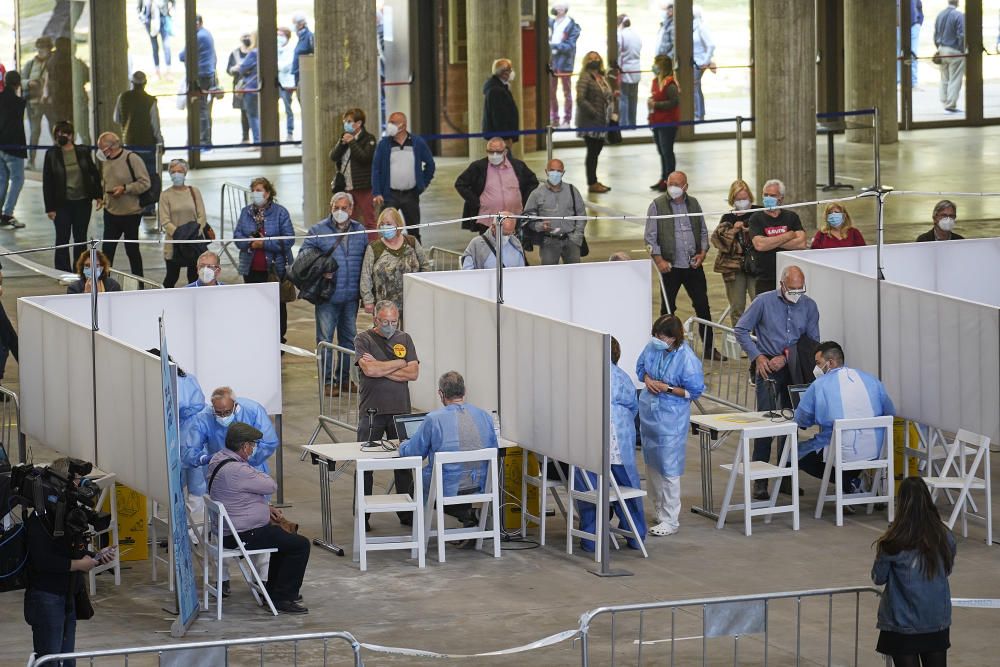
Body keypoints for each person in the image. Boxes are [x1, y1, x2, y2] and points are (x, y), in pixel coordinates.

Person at [735, 265, 820, 499]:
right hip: (767, 370)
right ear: (782, 285)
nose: (796, 293)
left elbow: (812, 341)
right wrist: (758, 357)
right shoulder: (763, 302)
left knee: (790, 425)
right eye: (792, 289)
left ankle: (785, 478)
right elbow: (741, 329)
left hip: (793, 370)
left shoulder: (810, 306)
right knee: (766, 424)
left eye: (800, 289)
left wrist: (786, 357)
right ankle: (760, 481)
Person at [208, 421, 310, 615]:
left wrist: (265, 507)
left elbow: (238, 493)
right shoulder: (239, 470)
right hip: (243, 534)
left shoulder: (218, 459)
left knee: (283, 540)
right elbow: (270, 485)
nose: (254, 449)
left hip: (228, 529)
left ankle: (273, 590)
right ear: (245, 446)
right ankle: (283, 597)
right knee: (300, 545)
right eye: (253, 445)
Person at [23, 458, 117, 662]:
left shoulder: (66, 515)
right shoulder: (41, 519)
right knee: (49, 660)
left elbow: (71, 550)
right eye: (77, 481)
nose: (82, 486)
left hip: (67, 597)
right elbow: (42, 561)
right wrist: (79, 565)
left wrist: (96, 557)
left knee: (67, 660)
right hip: (47, 598)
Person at [872, 477, 956, 667]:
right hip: (936, 620)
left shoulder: (893, 541)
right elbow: (948, 569)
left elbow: (878, 577)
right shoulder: (945, 536)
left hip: (903, 624)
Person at [575, 337, 647, 552]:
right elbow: (634, 409)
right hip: (621, 446)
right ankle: (636, 536)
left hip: (590, 444)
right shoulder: (623, 378)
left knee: (591, 493)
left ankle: (591, 538)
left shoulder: (582, 377)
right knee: (628, 492)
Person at [794, 341, 895, 493]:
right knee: (838, 447)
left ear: (831, 362)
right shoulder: (871, 379)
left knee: (796, 454)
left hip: (842, 452)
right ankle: (854, 482)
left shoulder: (819, 385)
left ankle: (849, 484)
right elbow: (890, 411)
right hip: (876, 451)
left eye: (818, 363)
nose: (816, 368)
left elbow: (802, 419)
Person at [399, 371, 498, 525]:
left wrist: (403, 445)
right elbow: (494, 449)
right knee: (461, 479)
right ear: (464, 391)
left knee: (418, 487)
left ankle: (462, 516)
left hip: (447, 488)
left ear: (441, 393)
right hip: (481, 485)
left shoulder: (434, 419)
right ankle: (469, 516)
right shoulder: (484, 416)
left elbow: (414, 453)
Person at [636, 314, 705, 537]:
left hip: (671, 419)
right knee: (652, 464)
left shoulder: (687, 359)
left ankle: (670, 518)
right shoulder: (652, 348)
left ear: (674, 338)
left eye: (662, 336)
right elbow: (641, 369)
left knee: (668, 468)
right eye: (655, 335)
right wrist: (648, 380)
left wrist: (665, 388)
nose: (657, 339)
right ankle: (658, 509)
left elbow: (693, 391)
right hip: (649, 415)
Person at [355, 299, 420, 529]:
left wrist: (384, 367)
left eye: (394, 321)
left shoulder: (405, 338)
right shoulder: (363, 339)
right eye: (385, 322)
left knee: (404, 463)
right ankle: (363, 516)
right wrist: (399, 363)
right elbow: (369, 370)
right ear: (376, 320)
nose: (390, 326)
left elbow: (413, 373)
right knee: (366, 465)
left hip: (400, 411)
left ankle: (407, 513)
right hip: (372, 412)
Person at [644, 170, 719, 359]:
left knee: (703, 306)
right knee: (667, 309)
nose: (673, 188)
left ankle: (709, 348)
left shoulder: (693, 203)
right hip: (670, 267)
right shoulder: (657, 205)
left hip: (693, 265)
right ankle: (665, 346)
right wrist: (659, 261)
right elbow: (650, 237)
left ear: (686, 186)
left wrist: (702, 253)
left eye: (677, 184)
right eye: (670, 183)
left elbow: (702, 231)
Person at [301, 192, 368, 396]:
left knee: (349, 340)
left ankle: (346, 379)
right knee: (326, 341)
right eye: (336, 207)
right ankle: (329, 382)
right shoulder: (317, 230)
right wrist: (322, 267)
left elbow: (367, 261)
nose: (340, 211)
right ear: (331, 208)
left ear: (351, 208)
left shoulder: (360, 231)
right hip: (327, 297)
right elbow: (304, 256)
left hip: (350, 297)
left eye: (344, 207)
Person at [147, 347, 206, 519]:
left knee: (189, 486)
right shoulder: (186, 379)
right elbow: (197, 403)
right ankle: (191, 533)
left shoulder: (168, 382)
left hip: (185, 436)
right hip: (188, 435)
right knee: (193, 488)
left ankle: (190, 533)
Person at [234, 177, 295, 341]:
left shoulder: (280, 212)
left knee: (277, 305)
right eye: (253, 190)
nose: (255, 193)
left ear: (268, 193)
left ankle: (279, 339)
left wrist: (265, 244)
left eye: (259, 190)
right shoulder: (245, 212)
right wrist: (251, 243)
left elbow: (289, 239)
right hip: (251, 268)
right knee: (255, 305)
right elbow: (237, 236)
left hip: (275, 269)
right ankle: (258, 337)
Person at [43, 120, 103, 271]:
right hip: (61, 203)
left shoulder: (83, 151)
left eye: (64, 133)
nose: (60, 136)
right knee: (62, 238)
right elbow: (47, 182)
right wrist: (50, 207)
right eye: (57, 134)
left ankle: (79, 269)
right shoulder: (51, 154)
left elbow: (93, 174)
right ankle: (62, 271)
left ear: (71, 135)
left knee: (80, 237)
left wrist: (98, 195)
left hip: (82, 201)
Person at [184, 386, 279, 479]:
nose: (223, 417)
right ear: (213, 407)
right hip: (220, 471)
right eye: (218, 413)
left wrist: (247, 457)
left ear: (235, 406)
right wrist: (204, 459)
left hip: (252, 469)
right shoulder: (204, 418)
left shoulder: (253, 411)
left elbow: (269, 442)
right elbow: (189, 450)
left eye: (227, 412)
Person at [371, 111, 435, 242]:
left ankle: (416, 259)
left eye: (393, 122)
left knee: (414, 232)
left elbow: (430, 164)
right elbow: (376, 169)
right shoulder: (383, 144)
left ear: (403, 125)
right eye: (389, 122)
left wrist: (422, 184)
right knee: (386, 230)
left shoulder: (417, 142)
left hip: (411, 195)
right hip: (390, 195)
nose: (389, 125)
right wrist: (377, 192)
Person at [359, 207, 429, 321]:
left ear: (398, 225)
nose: (385, 227)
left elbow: (425, 266)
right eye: (382, 224)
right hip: (384, 307)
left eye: (388, 223)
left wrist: (424, 290)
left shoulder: (412, 242)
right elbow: (365, 275)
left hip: (413, 302)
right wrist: (368, 301)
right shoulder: (374, 248)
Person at [454, 137, 538, 230]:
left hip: (514, 219)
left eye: (498, 152)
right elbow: (460, 184)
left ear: (505, 151)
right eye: (490, 152)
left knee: (515, 244)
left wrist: (525, 200)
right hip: (487, 221)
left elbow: (532, 182)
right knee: (488, 244)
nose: (494, 155)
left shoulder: (518, 166)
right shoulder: (478, 167)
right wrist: (476, 201)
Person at [97, 131, 150, 277]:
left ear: (112, 146)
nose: (100, 151)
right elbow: (106, 181)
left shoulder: (131, 158)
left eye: (102, 147)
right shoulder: (106, 160)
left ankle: (139, 281)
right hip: (111, 212)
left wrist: (125, 189)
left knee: (132, 250)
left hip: (131, 213)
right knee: (107, 250)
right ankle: (103, 282)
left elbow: (145, 183)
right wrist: (103, 199)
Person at [113, 70, 162, 216]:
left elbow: (116, 118)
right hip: (148, 145)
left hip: (129, 144)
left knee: (131, 176)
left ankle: (133, 205)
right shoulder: (150, 101)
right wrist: (160, 142)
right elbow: (155, 125)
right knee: (149, 176)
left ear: (132, 83)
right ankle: (149, 207)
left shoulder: (123, 97)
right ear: (145, 83)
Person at [710, 179, 758, 326]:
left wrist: (751, 230)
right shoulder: (727, 218)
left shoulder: (759, 212)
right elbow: (719, 242)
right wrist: (734, 230)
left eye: (745, 198)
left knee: (759, 303)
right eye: (738, 199)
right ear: (732, 200)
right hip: (734, 268)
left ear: (750, 197)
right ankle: (739, 339)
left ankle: (761, 340)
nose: (742, 202)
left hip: (756, 265)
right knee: (737, 306)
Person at [747, 178, 807, 294]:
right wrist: (788, 235)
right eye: (766, 195)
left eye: (773, 195)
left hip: (790, 276)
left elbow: (801, 243)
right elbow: (759, 245)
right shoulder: (756, 218)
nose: (768, 198)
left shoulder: (791, 217)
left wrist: (770, 242)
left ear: (781, 198)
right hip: (765, 277)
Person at [522, 158, 587, 265]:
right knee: (549, 273)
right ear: (546, 171)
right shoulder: (536, 194)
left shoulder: (572, 190)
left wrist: (577, 237)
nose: (555, 174)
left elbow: (581, 215)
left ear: (563, 173)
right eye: (552, 170)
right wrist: (539, 226)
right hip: (549, 242)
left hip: (571, 240)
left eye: (558, 171)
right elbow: (527, 219)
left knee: (574, 273)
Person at [158, 159, 208, 287]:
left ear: (185, 173)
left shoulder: (194, 191)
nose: (176, 174)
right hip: (173, 243)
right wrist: (180, 235)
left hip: (193, 242)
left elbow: (202, 216)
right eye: (173, 171)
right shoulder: (165, 195)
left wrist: (194, 233)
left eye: (179, 171)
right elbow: (164, 220)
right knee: (171, 277)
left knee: (193, 276)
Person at [330, 108, 378, 232]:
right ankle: (350, 245)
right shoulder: (344, 138)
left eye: (349, 121)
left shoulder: (369, 139)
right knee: (347, 219)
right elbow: (333, 157)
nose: (346, 124)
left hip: (363, 187)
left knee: (369, 219)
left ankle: (371, 246)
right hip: (346, 186)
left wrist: (352, 142)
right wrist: (342, 143)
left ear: (358, 123)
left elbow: (365, 158)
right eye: (345, 121)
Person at [575, 51, 615, 194]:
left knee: (596, 152)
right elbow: (580, 98)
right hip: (590, 122)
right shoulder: (585, 77)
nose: (594, 60)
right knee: (592, 153)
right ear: (586, 61)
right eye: (591, 58)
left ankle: (594, 181)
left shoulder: (601, 77)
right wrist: (594, 112)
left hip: (602, 122)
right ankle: (592, 182)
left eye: (596, 58)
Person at [179, 15, 218, 148]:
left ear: (199, 23)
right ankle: (202, 140)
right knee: (204, 109)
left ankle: (203, 142)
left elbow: (183, 56)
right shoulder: (205, 34)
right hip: (207, 74)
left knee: (200, 109)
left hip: (201, 76)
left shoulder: (198, 36)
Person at [21, 37, 56, 170]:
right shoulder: (31, 64)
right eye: (40, 48)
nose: (42, 51)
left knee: (54, 130)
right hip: (34, 103)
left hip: (49, 103)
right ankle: (31, 160)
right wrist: (29, 83)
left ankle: (58, 158)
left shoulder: (53, 63)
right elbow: (22, 80)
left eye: (44, 48)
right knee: (35, 132)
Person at [647, 54, 680, 192]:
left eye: (656, 64)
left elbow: (674, 102)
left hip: (668, 122)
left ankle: (670, 179)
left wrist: (656, 104)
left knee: (667, 151)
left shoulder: (670, 83)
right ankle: (663, 177)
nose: (654, 67)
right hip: (656, 122)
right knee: (661, 151)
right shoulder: (655, 81)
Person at [0, 71, 28, 229]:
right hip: (14, 146)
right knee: (17, 179)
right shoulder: (19, 102)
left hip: (0, 145)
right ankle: (8, 213)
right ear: (18, 84)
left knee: (2, 179)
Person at [548, 2, 580, 128]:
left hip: (565, 63)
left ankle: (567, 119)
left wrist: (553, 46)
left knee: (567, 92)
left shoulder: (572, 26)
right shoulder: (552, 22)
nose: (556, 8)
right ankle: (554, 117)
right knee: (551, 92)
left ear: (564, 10)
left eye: (559, 7)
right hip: (552, 62)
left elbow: (570, 46)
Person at [460, 211, 526, 270]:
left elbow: (522, 271)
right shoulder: (477, 244)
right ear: (494, 227)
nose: (507, 237)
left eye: (511, 233)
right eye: (504, 233)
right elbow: (467, 272)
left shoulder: (515, 243)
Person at [934, 0, 965, 113]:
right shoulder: (958, 15)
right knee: (955, 78)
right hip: (955, 51)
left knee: (944, 78)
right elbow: (962, 34)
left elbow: (936, 34)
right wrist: (962, 49)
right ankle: (950, 105)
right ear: (957, 2)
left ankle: (944, 101)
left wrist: (938, 47)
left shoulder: (940, 14)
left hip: (942, 49)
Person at [482, 59, 519, 146]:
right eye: (510, 70)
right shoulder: (496, 90)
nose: (512, 72)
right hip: (501, 136)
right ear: (504, 72)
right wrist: (505, 137)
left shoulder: (501, 87)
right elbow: (498, 116)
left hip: (504, 134)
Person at [616, 14, 642, 128]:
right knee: (633, 99)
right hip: (636, 69)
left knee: (623, 98)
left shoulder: (620, 35)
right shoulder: (636, 35)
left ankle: (624, 125)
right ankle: (632, 123)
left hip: (625, 70)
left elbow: (617, 53)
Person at [691, 6, 716, 122]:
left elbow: (711, 45)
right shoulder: (693, 28)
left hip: (699, 62)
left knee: (694, 87)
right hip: (694, 62)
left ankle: (698, 114)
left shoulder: (701, 28)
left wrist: (705, 62)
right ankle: (698, 112)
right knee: (696, 87)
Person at [226, 33, 252, 144]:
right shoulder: (235, 53)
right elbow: (228, 69)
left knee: (253, 112)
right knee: (243, 112)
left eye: (249, 38)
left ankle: (256, 135)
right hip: (239, 86)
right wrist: (235, 69)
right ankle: (245, 137)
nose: (246, 40)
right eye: (244, 38)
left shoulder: (254, 52)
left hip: (251, 85)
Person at [137, 1, 174, 79]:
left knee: (166, 46)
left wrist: (171, 10)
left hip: (163, 18)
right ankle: (157, 72)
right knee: (155, 47)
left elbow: (173, 2)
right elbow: (139, 6)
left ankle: (168, 71)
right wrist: (142, 17)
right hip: (150, 19)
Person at [238, 33, 261, 145]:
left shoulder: (254, 53)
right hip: (261, 87)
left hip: (251, 88)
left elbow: (242, 68)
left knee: (253, 115)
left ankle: (258, 141)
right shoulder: (269, 52)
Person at [276, 27, 295, 141]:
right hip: (275, 83)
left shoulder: (290, 50)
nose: (279, 37)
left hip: (286, 84)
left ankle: (289, 133)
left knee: (288, 109)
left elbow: (284, 67)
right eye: (277, 35)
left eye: (281, 35)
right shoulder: (275, 49)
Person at [291, 13, 314, 91]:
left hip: (304, 74)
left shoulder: (309, 37)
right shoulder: (300, 38)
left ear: (300, 24)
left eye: (294, 23)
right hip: (298, 73)